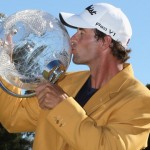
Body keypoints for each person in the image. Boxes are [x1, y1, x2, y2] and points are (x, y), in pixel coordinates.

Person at [0, 3, 150, 150]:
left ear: (105, 41)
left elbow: (110, 146)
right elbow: (14, 117)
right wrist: (4, 56)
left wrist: (61, 106)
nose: (72, 39)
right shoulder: (63, 82)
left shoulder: (141, 100)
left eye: (82, 33)